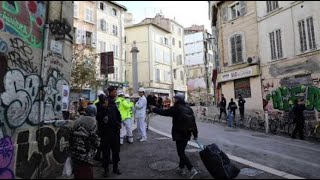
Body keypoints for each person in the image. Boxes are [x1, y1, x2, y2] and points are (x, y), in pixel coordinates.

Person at [151, 93, 199, 179]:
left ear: (178, 99)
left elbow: (164, 112)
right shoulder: (189, 108)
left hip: (179, 133)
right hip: (187, 134)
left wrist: (154, 109)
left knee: (180, 153)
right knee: (182, 152)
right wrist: (195, 134)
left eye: (175, 98)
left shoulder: (176, 108)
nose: (174, 100)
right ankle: (181, 169)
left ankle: (192, 169)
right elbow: (193, 123)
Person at [69, 105, 100, 179]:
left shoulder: (77, 120)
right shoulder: (93, 122)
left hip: (75, 150)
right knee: (86, 171)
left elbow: (71, 135)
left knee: (77, 171)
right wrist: (97, 145)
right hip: (86, 152)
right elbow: (95, 138)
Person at [98, 86, 122, 177]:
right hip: (106, 133)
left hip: (115, 132)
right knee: (106, 152)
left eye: (116, 91)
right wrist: (104, 108)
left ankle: (115, 168)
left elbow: (117, 115)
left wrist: (119, 123)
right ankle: (106, 170)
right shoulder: (104, 102)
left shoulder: (114, 103)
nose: (116, 93)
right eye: (115, 91)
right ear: (110, 92)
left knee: (116, 152)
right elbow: (99, 116)